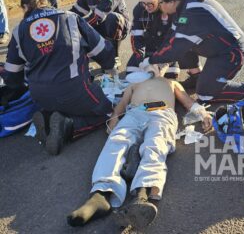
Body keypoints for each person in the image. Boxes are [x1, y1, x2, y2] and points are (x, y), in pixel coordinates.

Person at [67, 65, 212, 229]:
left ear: (165, 69)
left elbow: (188, 102)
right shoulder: (134, 85)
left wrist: (203, 113)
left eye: (160, 65)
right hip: (135, 113)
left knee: (155, 144)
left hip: (162, 112)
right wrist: (114, 119)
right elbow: (121, 104)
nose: (156, 67)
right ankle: (101, 195)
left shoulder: (171, 83)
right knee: (116, 141)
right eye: (152, 64)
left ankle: (142, 194)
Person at [2, 0, 116, 155]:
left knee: (60, 101)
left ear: (24, 8)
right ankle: (69, 126)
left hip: (40, 97)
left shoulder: (19, 31)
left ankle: (49, 118)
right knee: (109, 112)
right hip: (74, 90)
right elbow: (102, 49)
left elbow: (12, 76)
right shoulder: (69, 18)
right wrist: (108, 64)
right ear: (46, 2)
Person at [140, 0, 244, 102]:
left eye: (161, 1)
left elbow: (174, 49)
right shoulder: (182, 5)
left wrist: (151, 60)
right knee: (181, 41)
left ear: (171, 1)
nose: (159, 5)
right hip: (218, 46)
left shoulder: (192, 12)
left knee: (205, 94)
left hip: (232, 53)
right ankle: (197, 77)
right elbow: (171, 38)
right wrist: (157, 58)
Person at [70, 0, 130, 68]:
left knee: (111, 18)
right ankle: (95, 55)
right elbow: (77, 10)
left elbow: (99, 17)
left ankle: (114, 57)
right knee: (76, 23)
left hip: (119, 26)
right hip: (100, 22)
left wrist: (79, 27)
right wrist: (63, 19)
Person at [126, 0, 180, 79]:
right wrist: (142, 61)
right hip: (147, 51)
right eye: (143, 3)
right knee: (130, 76)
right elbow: (136, 39)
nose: (146, 7)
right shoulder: (139, 9)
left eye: (150, 4)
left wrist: (162, 63)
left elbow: (174, 42)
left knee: (169, 77)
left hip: (165, 53)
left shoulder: (169, 9)